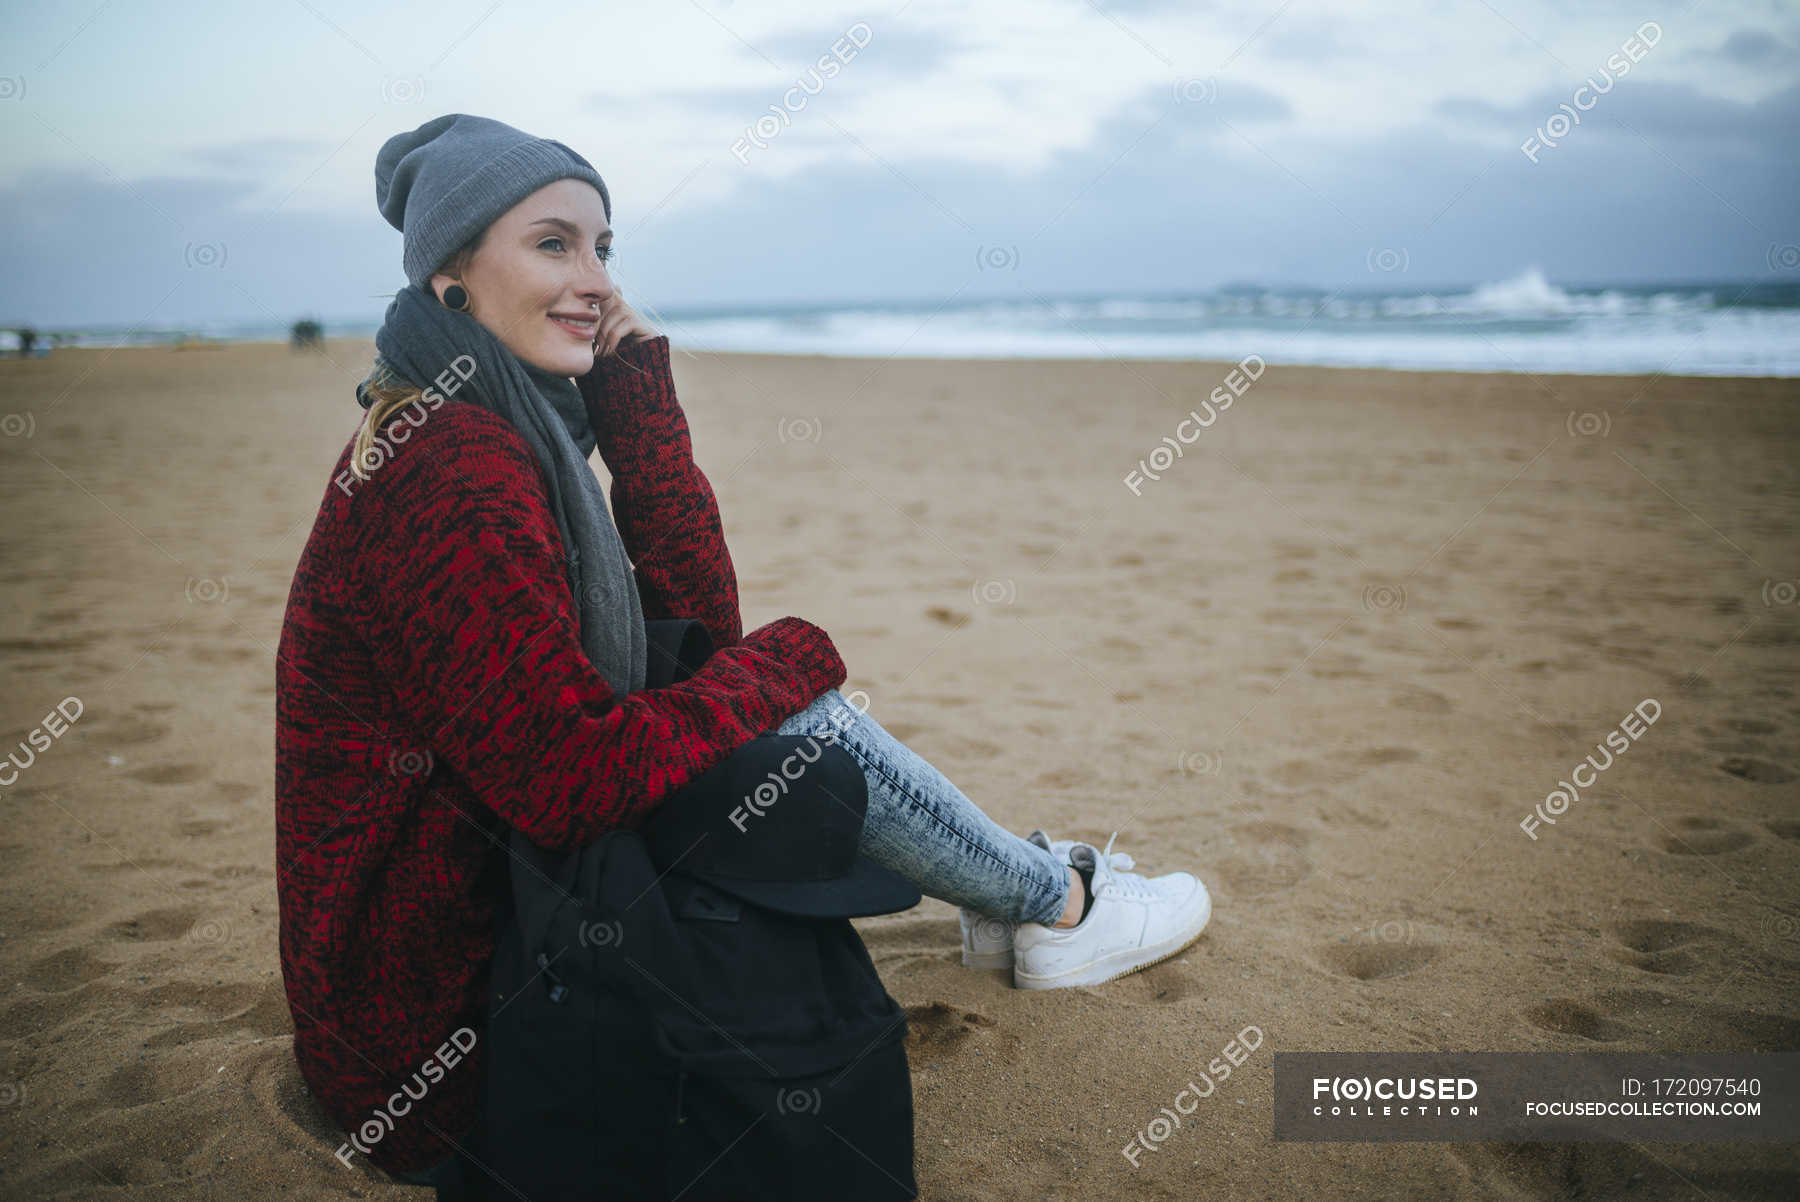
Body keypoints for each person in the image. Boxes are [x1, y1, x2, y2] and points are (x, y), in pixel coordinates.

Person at [273, 113, 1212, 1190]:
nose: (593, 280)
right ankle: (1060, 907)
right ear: (451, 276)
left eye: (604, 247)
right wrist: (790, 661)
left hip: (482, 938)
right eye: (552, 243)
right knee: (797, 723)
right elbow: (570, 773)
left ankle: (1033, 897)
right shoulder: (449, 465)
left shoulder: (494, 424)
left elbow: (695, 634)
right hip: (432, 1042)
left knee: (747, 705)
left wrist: (638, 413)